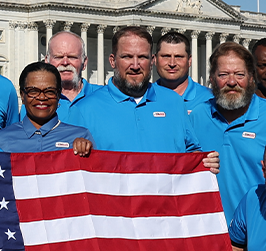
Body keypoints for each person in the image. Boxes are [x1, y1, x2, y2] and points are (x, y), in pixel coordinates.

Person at [187, 42, 266, 219]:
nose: (232, 82)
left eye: (239, 74)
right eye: (223, 75)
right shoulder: (197, 116)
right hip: (207, 225)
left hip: (260, 224)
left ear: (252, 78)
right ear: (212, 79)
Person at [63, 27, 200, 155]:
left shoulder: (174, 102)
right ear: (112, 61)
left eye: (142, 57)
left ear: (152, 60)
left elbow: (192, 154)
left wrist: (205, 161)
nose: (135, 66)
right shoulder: (84, 110)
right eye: (127, 57)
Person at [0, 62, 93, 154]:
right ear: (22, 96)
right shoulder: (1, 139)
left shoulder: (80, 138)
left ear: (58, 96)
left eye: (49, 91)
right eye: (33, 91)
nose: (42, 97)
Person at [154, 30, 213, 113]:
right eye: (166, 56)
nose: (172, 63)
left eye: (179, 57)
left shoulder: (210, 100)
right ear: (155, 60)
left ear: (189, 60)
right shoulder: (142, 98)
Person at [45, 29, 93, 106]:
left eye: (72, 57)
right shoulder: (35, 103)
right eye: (58, 57)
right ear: (47, 62)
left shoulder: (105, 97)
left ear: (84, 62)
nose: (65, 63)